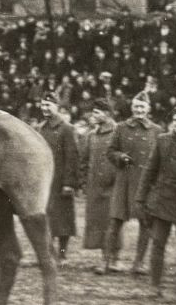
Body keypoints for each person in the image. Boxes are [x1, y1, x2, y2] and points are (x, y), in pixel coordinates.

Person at [138, 105, 176, 298]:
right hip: (163, 199)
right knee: (158, 243)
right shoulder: (162, 141)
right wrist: (141, 197)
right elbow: (150, 170)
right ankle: (155, 285)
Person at [107, 91, 160, 274]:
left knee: (145, 223)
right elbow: (110, 151)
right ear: (132, 108)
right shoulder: (121, 128)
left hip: (144, 183)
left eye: (142, 107)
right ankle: (111, 260)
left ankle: (139, 262)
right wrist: (120, 156)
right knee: (116, 221)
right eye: (136, 106)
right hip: (124, 180)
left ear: (148, 109)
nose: (139, 110)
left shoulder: (156, 131)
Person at [35, 93, 81, 266]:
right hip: (44, 181)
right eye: (42, 105)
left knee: (64, 221)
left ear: (56, 106)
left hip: (61, 181)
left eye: (48, 105)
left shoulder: (66, 128)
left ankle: (62, 255)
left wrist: (70, 183)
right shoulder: (40, 128)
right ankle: (48, 253)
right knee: (46, 218)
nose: (45, 108)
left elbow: (72, 157)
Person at [80, 99, 122, 275]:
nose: (93, 115)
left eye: (97, 112)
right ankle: (105, 257)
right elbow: (84, 160)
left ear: (107, 114)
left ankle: (113, 259)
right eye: (93, 112)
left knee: (112, 223)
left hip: (114, 185)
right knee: (98, 222)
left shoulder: (118, 132)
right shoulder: (91, 135)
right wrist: (83, 182)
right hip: (95, 186)